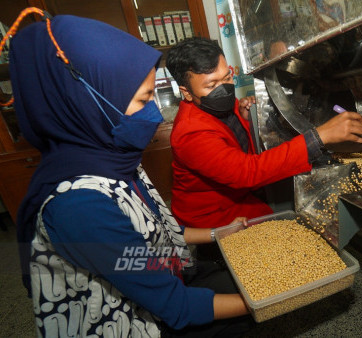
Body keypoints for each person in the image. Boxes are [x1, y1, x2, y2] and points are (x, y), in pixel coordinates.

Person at [9, 13, 252, 337]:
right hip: (133, 324)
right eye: (142, 100)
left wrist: (217, 233)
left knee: (239, 274)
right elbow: (175, 306)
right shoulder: (80, 207)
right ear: (87, 104)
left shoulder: (113, 155)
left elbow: (157, 227)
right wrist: (264, 299)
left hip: (163, 277)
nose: (154, 113)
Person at [166, 37, 362, 229]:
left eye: (227, 77)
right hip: (213, 216)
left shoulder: (217, 104)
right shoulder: (189, 133)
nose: (225, 89)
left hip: (239, 196)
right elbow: (247, 172)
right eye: (212, 85)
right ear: (186, 92)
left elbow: (231, 139)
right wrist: (319, 137)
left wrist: (247, 120)